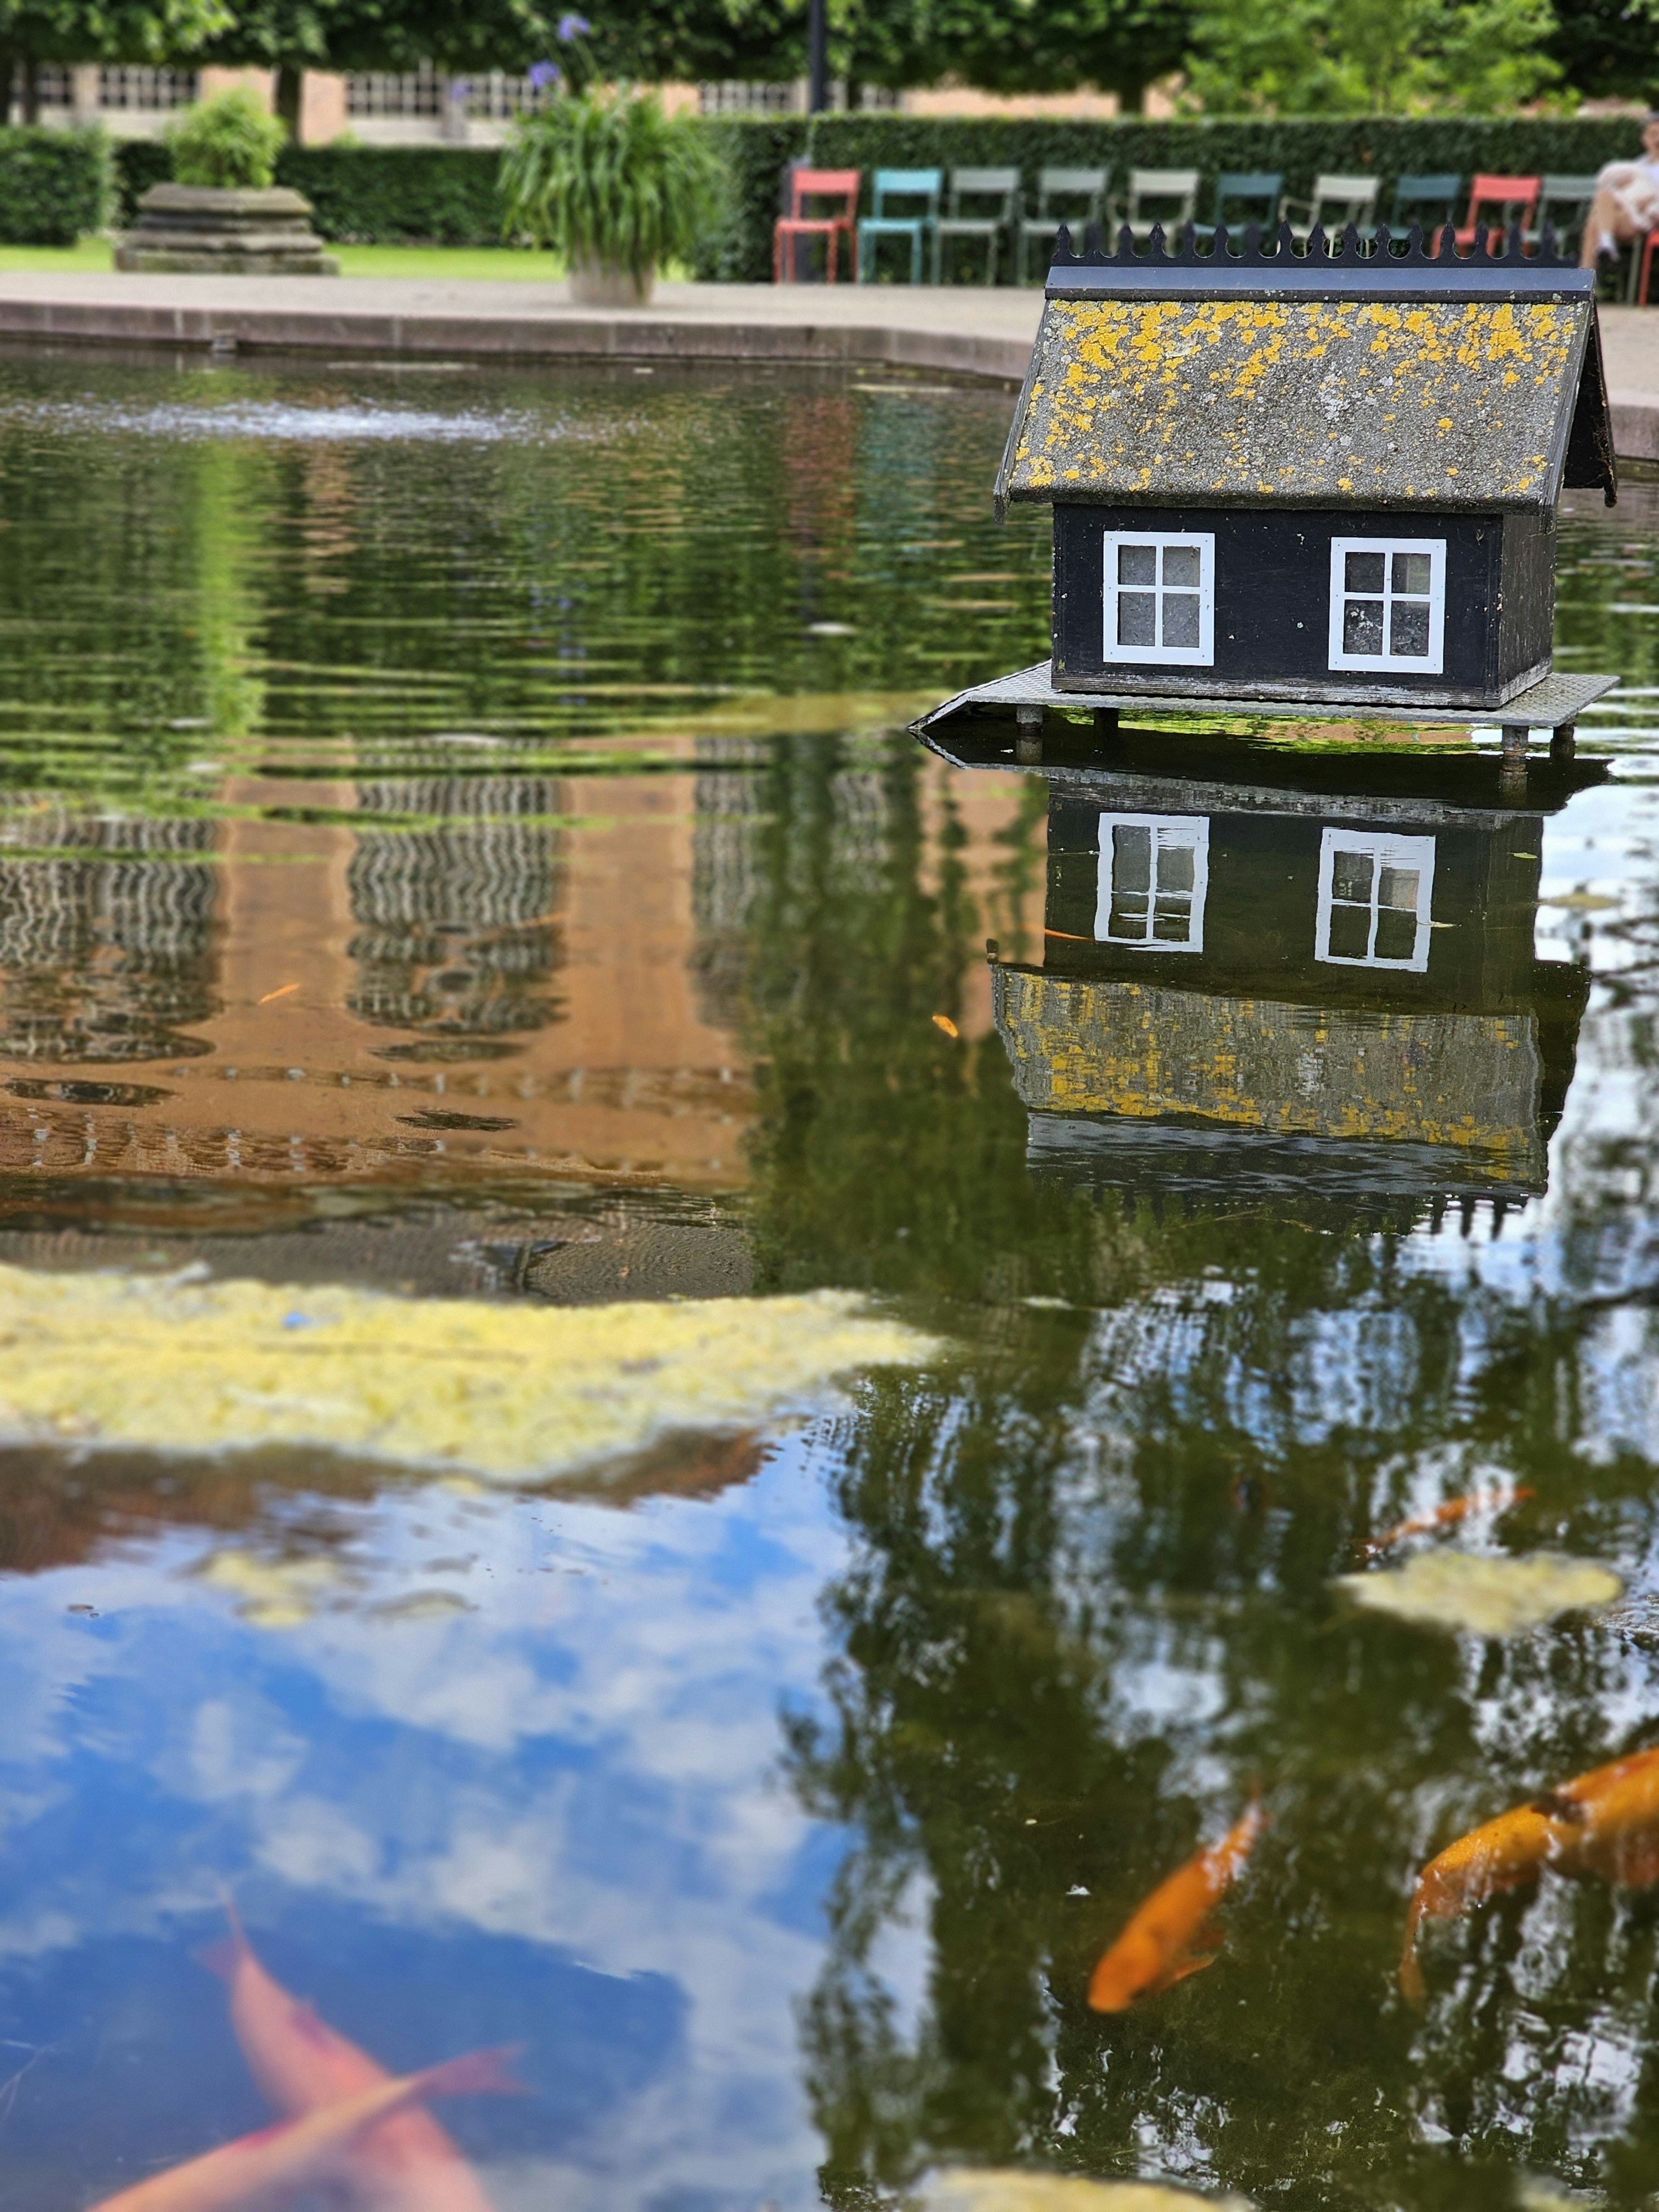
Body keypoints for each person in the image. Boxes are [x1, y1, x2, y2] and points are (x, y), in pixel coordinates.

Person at [1580, 112, 1659, 268]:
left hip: (1649, 216)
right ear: (1644, 139)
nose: (1657, 139)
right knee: (1598, 212)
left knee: (1595, 222)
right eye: (1653, 135)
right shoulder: (1637, 166)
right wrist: (1622, 187)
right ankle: (1606, 245)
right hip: (1627, 211)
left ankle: (1583, 283)